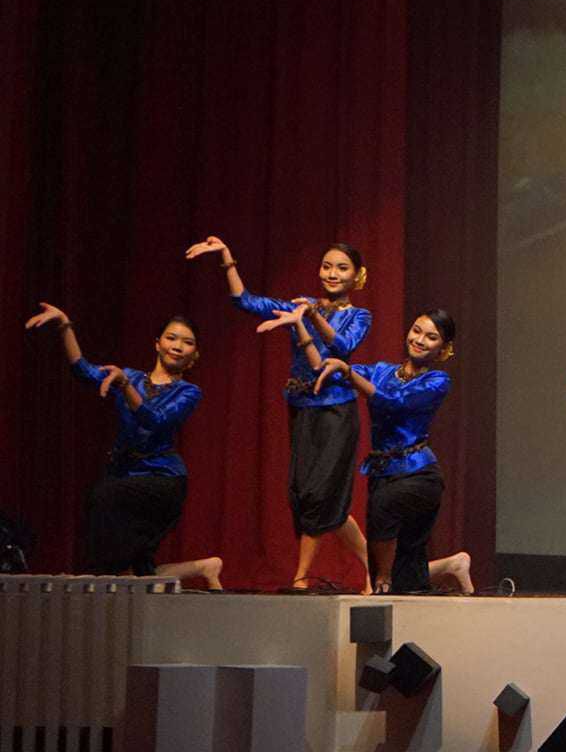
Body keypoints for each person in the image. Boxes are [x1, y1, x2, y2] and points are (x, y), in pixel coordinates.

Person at [186, 235, 373, 590]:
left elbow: (342, 345)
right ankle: (373, 564)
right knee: (308, 497)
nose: (332, 274)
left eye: (341, 268)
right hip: (302, 409)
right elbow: (245, 301)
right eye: (327, 266)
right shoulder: (300, 305)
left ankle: (301, 577)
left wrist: (310, 317)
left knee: (318, 494)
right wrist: (227, 257)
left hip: (336, 412)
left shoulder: (359, 315)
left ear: (356, 276)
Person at [262, 305, 473, 594]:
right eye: (416, 331)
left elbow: (394, 402)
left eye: (431, 337)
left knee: (384, 511)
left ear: (443, 349)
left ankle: (382, 582)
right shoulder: (381, 371)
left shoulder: (437, 381)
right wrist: (304, 323)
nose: (420, 340)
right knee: (406, 575)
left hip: (419, 474)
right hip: (383, 474)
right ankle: (450, 565)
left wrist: (349, 372)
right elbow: (324, 370)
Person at [24, 304, 223, 589]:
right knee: (135, 571)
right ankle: (204, 566)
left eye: (187, 342)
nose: (178, 346)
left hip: (162, 482)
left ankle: (97, 579)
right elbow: (83, 370)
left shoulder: (188, 392)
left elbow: (155, 420)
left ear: (195, 355)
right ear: (157, 344)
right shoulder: (130, 376)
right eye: (171, 338)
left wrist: (125, 385)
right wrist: (65, 326)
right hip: (125, 474)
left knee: (105, 495)